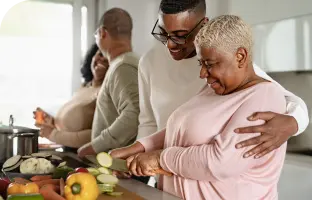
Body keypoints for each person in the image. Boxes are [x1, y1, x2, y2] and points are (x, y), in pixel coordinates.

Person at [111, 15, 288, 200]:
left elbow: (220, 162)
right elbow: (180, 129)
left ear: (240, 56)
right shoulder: (213, 89)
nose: (203, 73)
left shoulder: (265, 98)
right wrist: (139, 148)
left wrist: (159, 158)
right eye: (201, 63)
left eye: (209, 64)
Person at [110, 0, 309, 162]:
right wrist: (136, 159)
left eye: (180, 35)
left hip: (205, 173)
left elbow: (293, 103)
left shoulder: (224, 67)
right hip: (164, 174)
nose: (170, 44)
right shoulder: (149, 61)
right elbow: (148, 122)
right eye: (163, 33)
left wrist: (292, 123)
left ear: (203, 24)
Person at [77, 8, 140, 157]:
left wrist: (94, 147)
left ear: (102, 33)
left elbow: (134, 115)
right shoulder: (128, 63)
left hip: (116, 167)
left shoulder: (122, 67)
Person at [35, 44, 108, 149]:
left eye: (108, 58)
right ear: (92, 57)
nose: (103, 59)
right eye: (100, 54)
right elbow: (72, 127)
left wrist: (53, 134)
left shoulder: (105, 93)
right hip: (68, 154)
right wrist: (52, 122)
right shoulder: (84, 87)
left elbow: (96, 136)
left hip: (84, 158)